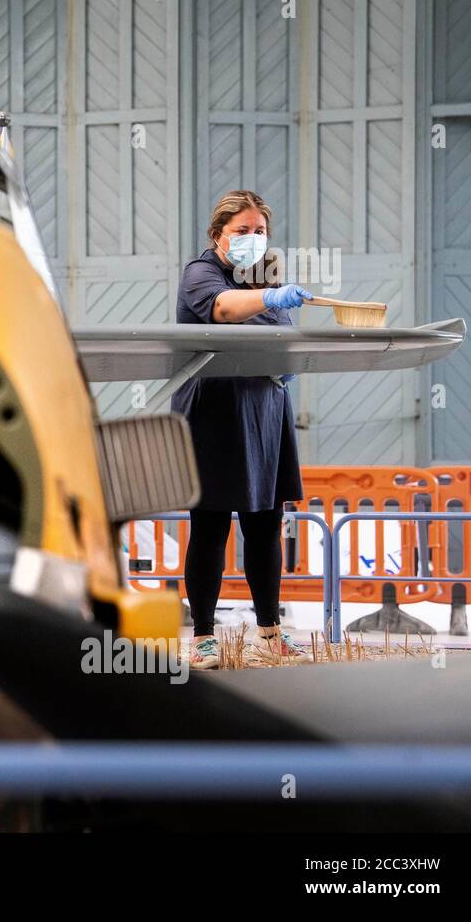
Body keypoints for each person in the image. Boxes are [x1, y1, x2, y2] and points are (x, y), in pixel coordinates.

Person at [173, 190, 311, 669]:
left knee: (265, 526)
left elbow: (282, 337)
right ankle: (205, 638)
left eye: (259, 232)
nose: (253, 239)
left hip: (265, 411)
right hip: (214, 411)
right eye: (242, 231)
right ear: (218, 236)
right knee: (209, 527)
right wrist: (270, 298)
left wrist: (288, 359)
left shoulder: (265, 277)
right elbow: (225, 309)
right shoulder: (200, 273)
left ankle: (269, 633)